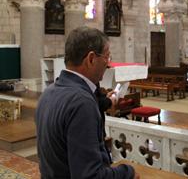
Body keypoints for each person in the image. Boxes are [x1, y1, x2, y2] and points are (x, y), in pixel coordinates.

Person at [35, 26, 139, 179]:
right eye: (107, 56)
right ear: (91, 59)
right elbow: (89, 176)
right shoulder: (82, 103)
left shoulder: (48, 93)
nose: (108, 63)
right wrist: (127, 172)